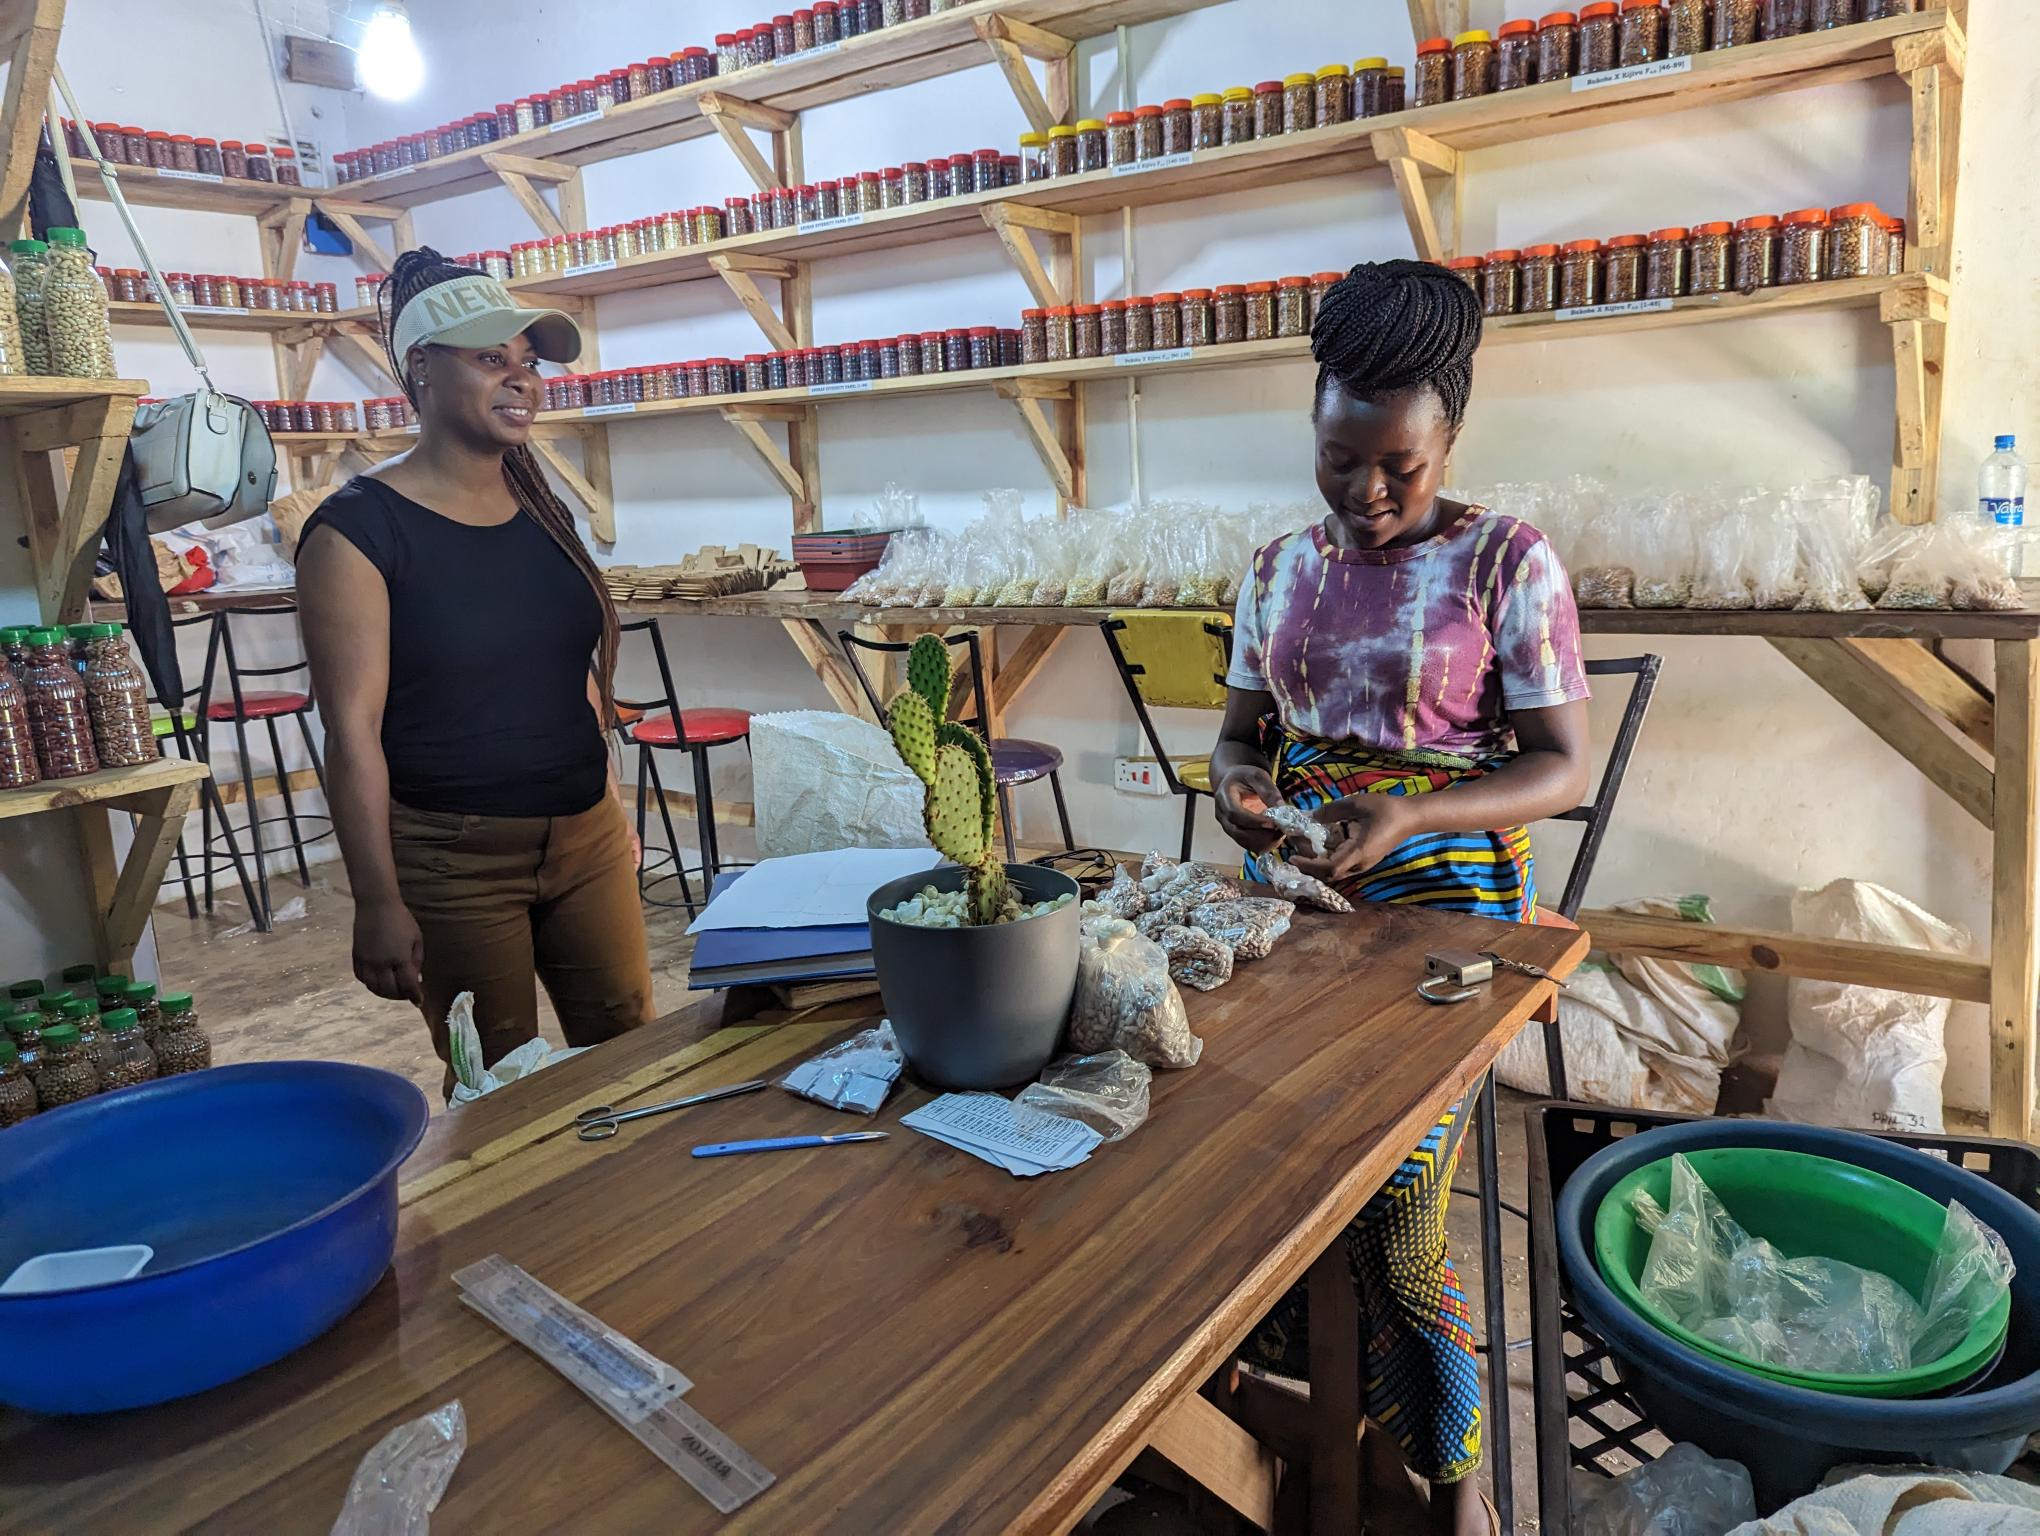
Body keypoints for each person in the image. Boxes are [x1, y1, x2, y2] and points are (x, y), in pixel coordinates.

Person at [1211, 259, 1592, 1535]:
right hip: (1302, 894)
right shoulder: (1274, 570)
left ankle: (1447, 1479)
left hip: (1446, 919)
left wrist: (1415, 810)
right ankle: (1297, 1422)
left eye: (1400, 469)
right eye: (1338, 462)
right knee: (1245, 1158)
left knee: (1392, 1207)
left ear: (1451, 439)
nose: (1367, 495)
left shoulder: (1507, 562)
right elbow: (1238, 740)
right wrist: (1239, 792)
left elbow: (1559, 766)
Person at [297, 248, 654, 1092]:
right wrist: (375, 898)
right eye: (493, 359)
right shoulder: (357, 533)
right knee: (503, 1084)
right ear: (421, 369)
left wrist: (608, 806)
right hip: (454, 858)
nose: (522, 381)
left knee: (633, 1055)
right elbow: (350, 734)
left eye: (528, 364)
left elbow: (574, 678)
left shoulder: (541, 509)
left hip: (584, 839)